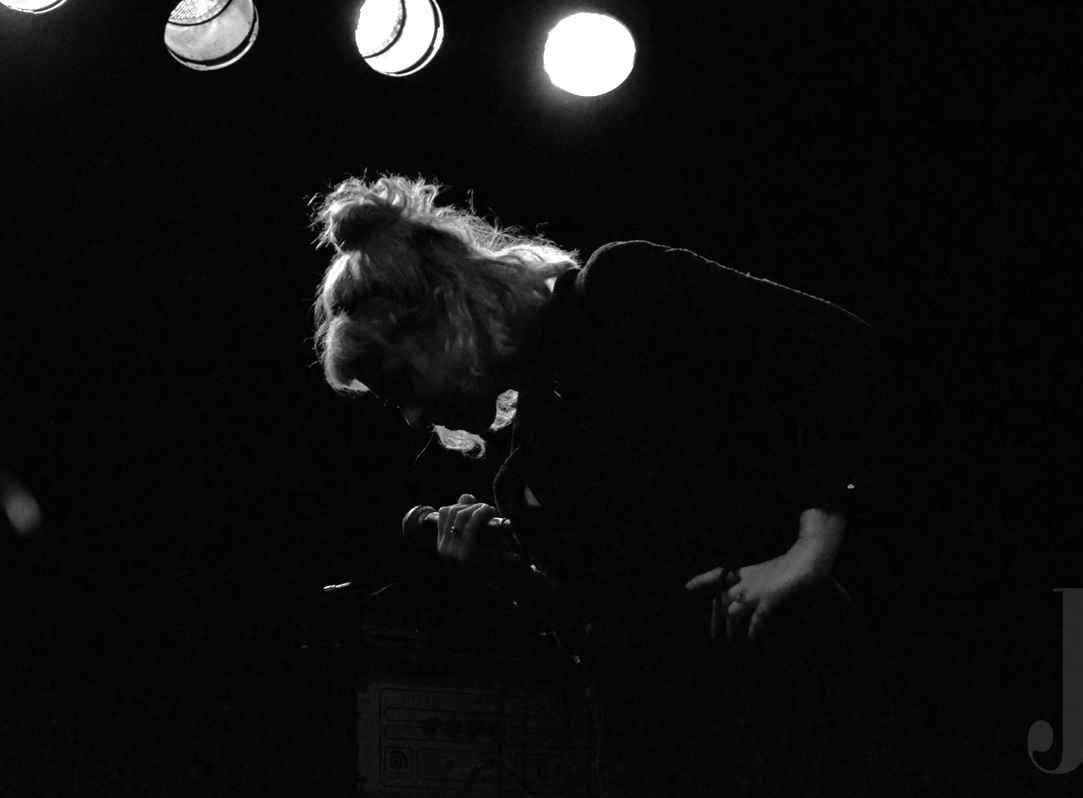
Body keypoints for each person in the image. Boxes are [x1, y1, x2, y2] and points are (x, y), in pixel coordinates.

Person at [311, 175, 892, 797]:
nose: (412, 418)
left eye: (401, 383)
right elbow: (614, 643)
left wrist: (811, 546)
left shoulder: (622, 290)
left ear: (442, 317)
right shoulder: (525, 473)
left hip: (797, 708)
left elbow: (835, 347)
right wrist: (505, 574)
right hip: (675, 752)